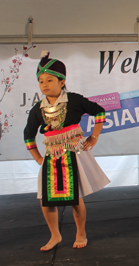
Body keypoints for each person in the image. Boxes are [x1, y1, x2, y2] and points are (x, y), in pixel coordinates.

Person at [24, 51, 110, 251]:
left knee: (75, 198)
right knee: (46, 200)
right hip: (51, 156)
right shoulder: (38, 109)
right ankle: (55, 235)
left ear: (62, 82)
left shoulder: (75, 100)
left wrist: (94, 136)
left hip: (73, 154)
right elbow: (28, 134)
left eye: (49, 80)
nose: (44, 85)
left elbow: (99, 112)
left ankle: (81, 233)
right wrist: (37, 157)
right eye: (41, 81)